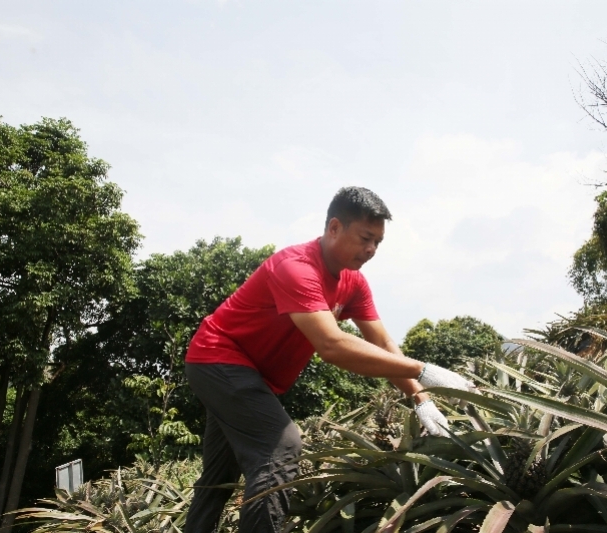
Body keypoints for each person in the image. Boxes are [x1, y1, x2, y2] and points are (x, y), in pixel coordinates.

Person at [183, 186, 475, 533]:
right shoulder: (296, 268)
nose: (371, 250)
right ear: (334, 227)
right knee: (280, 448)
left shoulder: (353, 282)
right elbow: (332, 344)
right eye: (366, 238)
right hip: (218, 358)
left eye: (378, 242)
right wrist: (423, 370)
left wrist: (421, 400)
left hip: (253, 376)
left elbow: (380, 341)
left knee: (220, 475)